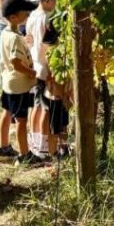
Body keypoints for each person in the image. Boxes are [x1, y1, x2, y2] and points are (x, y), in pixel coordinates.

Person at [0, 0, 43, 166]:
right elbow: (16, 63)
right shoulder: (15, 38)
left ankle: (3, 148)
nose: (28, 15)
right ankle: (25, 155)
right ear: (13, 17)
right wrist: (31, 72)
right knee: (21, 121)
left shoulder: (6, 32)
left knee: (7, 112)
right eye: (25, 13)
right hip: (19, 85)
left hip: (8, 83)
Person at [26, 0, 56, 159]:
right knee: (46, 107)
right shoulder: (47, 20)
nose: (56, 3)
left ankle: (34, 141)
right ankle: (45, 145)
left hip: (35, 65)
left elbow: (28, 41)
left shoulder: (31, 18)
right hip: (45, 66)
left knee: (36, 105)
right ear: (46, 0)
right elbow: (50, 46)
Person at [40, 26, 72, 159]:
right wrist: (64, 96)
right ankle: (53, 154)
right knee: (54, 129)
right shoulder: (56, 57)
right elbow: (56, 80)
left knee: (62, 125)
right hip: (56, 97)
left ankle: (62, 148)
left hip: (55, 96)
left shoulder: (50, 53)